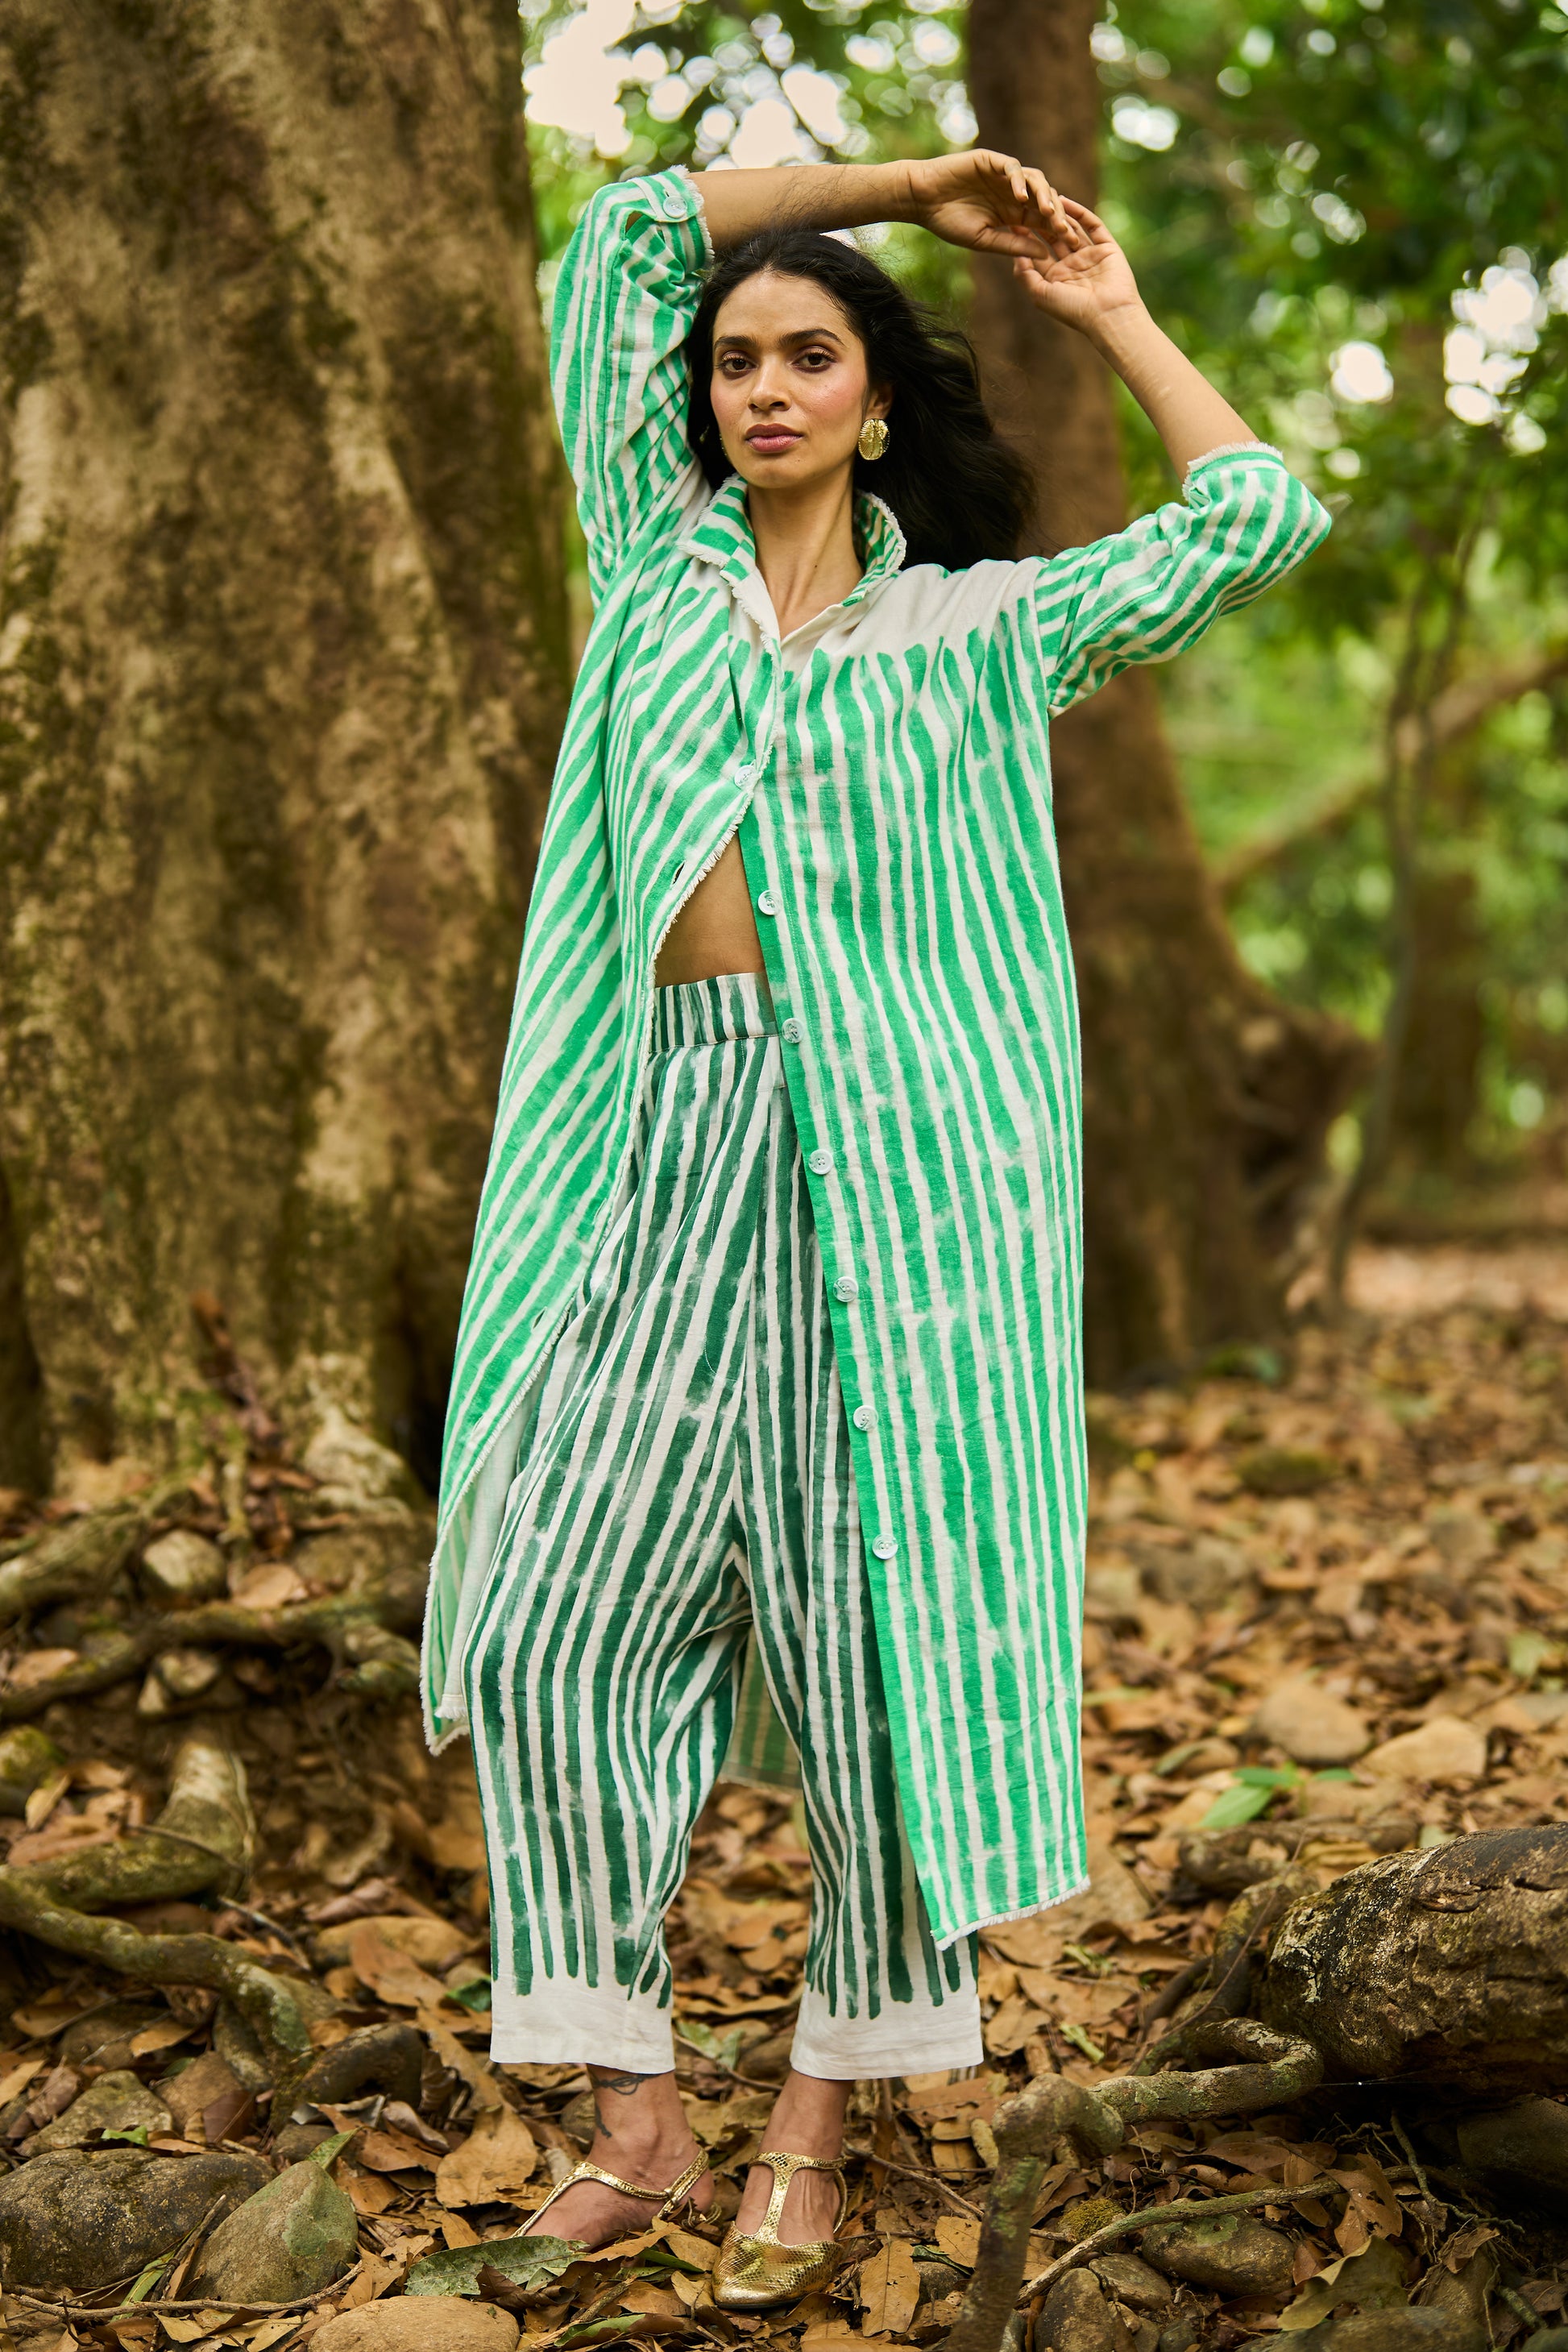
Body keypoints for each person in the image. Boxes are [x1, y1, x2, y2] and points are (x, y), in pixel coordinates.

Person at [420, 147, 1329, 2308]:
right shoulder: (650, 566)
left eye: (807, 354)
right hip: (658, 1145)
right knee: (549, 1624)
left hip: (902, 1197)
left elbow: (1256, 516)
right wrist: (915, 182)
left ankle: (821, 2114)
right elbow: (625, 235)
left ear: (876, 400)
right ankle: (635, 2114)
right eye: (734, 360)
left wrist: (1105, 303)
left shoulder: (975, 632)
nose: (760, 386)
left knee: (872, 1649)